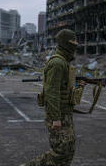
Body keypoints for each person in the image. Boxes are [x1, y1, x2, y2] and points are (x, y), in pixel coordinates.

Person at [21, 29, 79, 166]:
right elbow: (51, 92)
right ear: (65, 43)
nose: (76, 45)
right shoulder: (57, 63)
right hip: (59, 115)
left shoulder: (64, 62)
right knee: (60, 152)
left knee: (67, 151)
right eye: (73, 42)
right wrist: (56, 118)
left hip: (65, 113)